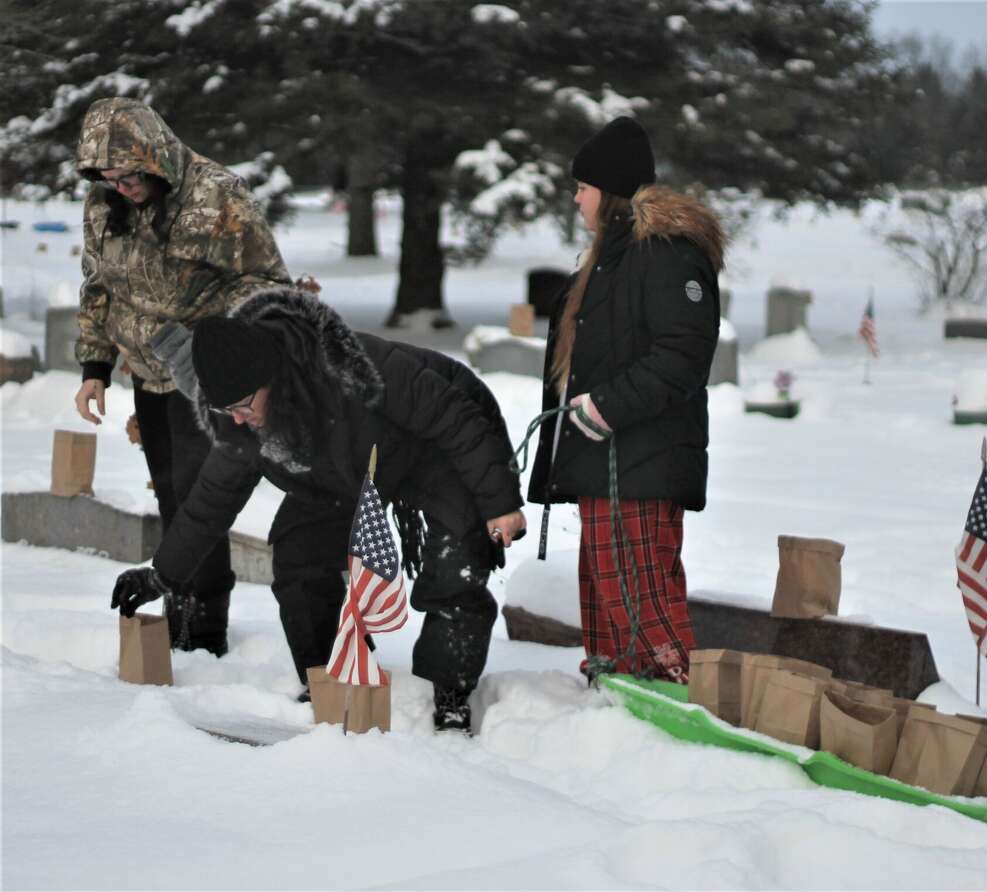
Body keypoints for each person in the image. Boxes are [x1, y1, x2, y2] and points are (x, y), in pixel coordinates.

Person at [109, 287, 527, 731]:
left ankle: (446, 696)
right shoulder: (242, 425)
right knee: (298, 556)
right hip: (347, 471)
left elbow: (454, 417)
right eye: (224, 409)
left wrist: (498, 502)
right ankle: (328, 680)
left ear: (273, 379)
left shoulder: (351, 367)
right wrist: (163, 574)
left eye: (243, 405)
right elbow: (210, 504)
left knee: (454, 571)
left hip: (437, 448)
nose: (236, 418)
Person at [73, 97, 291, 656]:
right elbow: (98, 285)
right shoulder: (103, 206)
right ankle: (181, 615)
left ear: (156, 158)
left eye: (130, 175)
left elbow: (268, 283)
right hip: (147, 374)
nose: (121, 187)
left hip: (206, 378)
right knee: (172, 495)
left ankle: (203, 629)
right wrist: (95, 366)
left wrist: (212, 338)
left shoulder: (217, 194)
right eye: (109, 178)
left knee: (201, 498)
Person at [527, 116, 726, 684]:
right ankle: (617, 693)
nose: (575, 199)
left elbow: (682, 354)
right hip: (607, 462)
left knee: (643, 602)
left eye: (582, 188)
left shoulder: (665, 254)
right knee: (607, 597)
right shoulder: (609, 259)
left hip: (641, 460)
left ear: (609, 193)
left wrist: (606, 406)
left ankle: (678, 700)